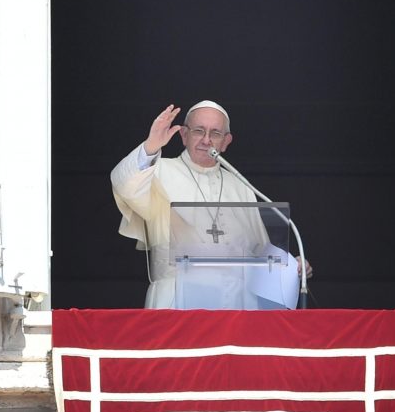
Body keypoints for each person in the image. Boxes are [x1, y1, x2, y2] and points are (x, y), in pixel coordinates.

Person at [111, 100, 312, 308]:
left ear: (226, 142)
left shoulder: (240, 186)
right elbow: (123, 185)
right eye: (199, 131)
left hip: (235, 304)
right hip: (176, 301)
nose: (206, 140)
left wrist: (290, 266)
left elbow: (258, 251)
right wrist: (151, 146)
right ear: (184, 135)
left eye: (215, 134)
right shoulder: (158, 171)